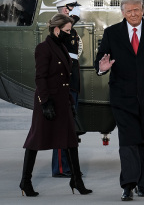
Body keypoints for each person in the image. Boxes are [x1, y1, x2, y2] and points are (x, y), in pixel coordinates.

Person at [94, 0, 144, 201]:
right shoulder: (112, 33)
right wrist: (101, 69)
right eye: (128, 10)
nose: (133, 14)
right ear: (122, 12)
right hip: (122, 97)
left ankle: (142, 183)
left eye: (136, 10)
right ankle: (128, 185)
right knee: (129, 140)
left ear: (142, 10)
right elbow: (100, 60)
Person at [20, 13, 92, 197]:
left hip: (62, 101)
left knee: (71, 141)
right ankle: (25, 181)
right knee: (35, 141)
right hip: (48, 101)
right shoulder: (44, 48)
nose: (70, 34)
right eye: (68, 31)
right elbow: (40, 77)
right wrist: (45, 103)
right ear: (57, 29)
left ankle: (76, 181)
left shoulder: (61, 46)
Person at [50, 0, 84, 178]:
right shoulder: (60, 33)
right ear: (66, 10)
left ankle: (66, 166)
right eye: (74, 6)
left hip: (72, 86)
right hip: (66, 87)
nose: (78, 10)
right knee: (64, 127)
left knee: (68, 127)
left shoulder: (68, 30)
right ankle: (61, 168)